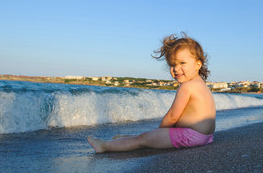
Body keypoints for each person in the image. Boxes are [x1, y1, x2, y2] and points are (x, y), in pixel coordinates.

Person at [87, 33, 216, 153]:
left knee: (144, 140)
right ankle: (124, 138)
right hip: (205, 137)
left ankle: (104, 146)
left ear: (198, 64)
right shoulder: (202, 86)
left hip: (190, 136)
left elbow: (172, 116)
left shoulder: (187, 87)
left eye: (182, 63)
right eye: (172, 64)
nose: (176, 69)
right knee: (146, 136)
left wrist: (159, 132)